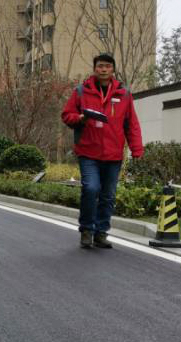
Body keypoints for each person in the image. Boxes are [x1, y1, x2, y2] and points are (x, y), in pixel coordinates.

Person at [61, 53, 143, 249]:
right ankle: (86, 230)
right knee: (91, 188)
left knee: (108, 195)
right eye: (100, 66)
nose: (103, 69)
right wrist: (80, 118)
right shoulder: (81, 91)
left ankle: (101, 232)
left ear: (113, 69)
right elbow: (66, 115)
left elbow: (132, 124)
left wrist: (137, 150)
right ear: (95, 69)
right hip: (88, 152)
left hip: (113, 154)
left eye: (107, 66)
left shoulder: (124, 94)